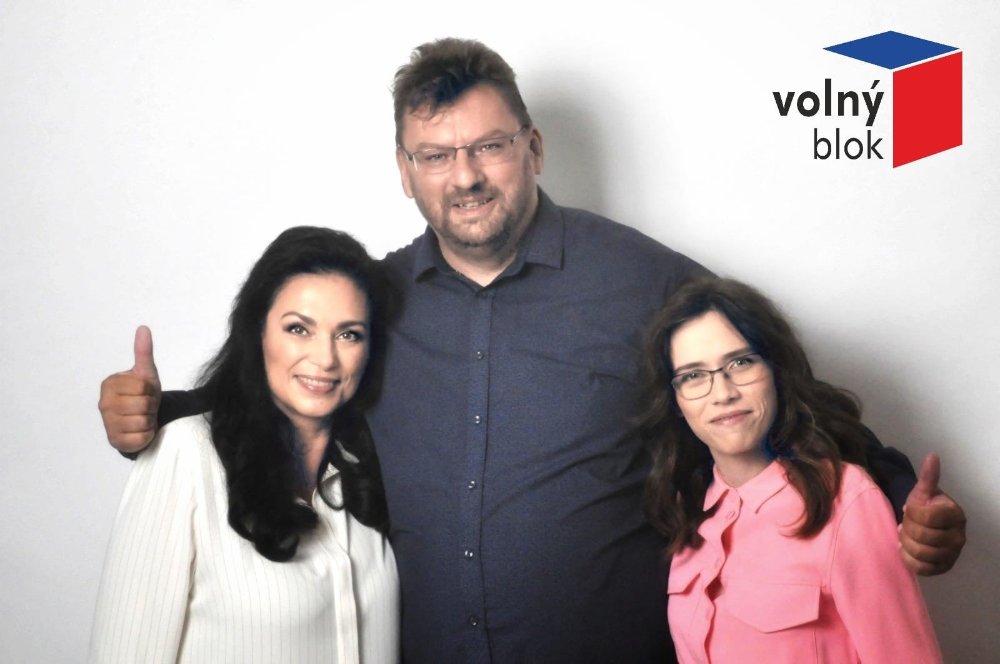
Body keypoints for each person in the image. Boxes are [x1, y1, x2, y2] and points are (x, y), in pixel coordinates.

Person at [97, 38, 966, 662]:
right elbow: (285, 388)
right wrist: (157, 414)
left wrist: (902, 502)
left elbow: (780, 398)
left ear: (533, 147)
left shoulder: (642, 278)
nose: (465, 176)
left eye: (489, 146)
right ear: (404, 171)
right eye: (436, 155)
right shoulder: (373, 300)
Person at [90, 227, 400, 664]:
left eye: (348, 334)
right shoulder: (187, 455)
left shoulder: (366, 472)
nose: (326, 358)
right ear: (257, 332)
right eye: (298, 328)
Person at [640, 277, 943, 663]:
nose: (723, 393)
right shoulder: (688, 511)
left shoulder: (846, 499)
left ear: (776, 371)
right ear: (676, 401)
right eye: (693, 375)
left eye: (741, 362)